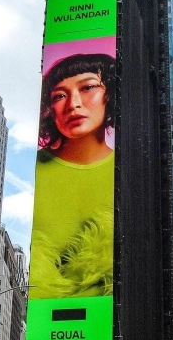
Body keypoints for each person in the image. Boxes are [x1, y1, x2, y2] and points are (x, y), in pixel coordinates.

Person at [30, 53, 116, 299]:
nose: (73, 103)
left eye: (88, 87)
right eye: (59, 95)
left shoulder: (128, 172)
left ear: (110, 93)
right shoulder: (35, 167)